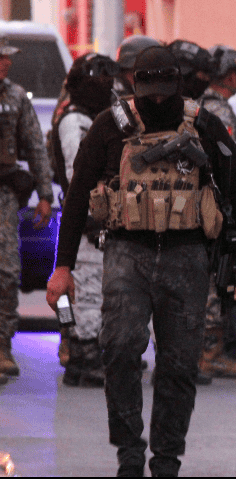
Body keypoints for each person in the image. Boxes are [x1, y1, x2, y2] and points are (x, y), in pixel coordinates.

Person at [46, 46, 236, 476]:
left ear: (178, 85)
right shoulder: (111, 125)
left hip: (187, 255)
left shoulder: (203, 123)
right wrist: (63, 267)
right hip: (127, 252)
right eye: (150, 91)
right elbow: (75, 197)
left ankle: (165, 461)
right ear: (135, 84)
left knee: (180, 365)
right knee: (121, 350)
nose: (159, 101)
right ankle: (129, 453)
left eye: (167, 91)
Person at [168, 40, 236, 380]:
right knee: (210, 283)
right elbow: (230, 164)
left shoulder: (197, 106)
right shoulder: (215, 110)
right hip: (209, 206)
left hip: (201, 205)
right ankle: (206, 353)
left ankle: (197, 354)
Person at [50, 53, 120, 387]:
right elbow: (77, 173)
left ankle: (78, 353)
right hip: (86, 219)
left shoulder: (97, 117)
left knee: (82, 290)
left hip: (91, 216)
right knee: (85, 293)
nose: (104, 86)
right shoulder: (74, 121)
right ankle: (83, 353)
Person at [0, 37, 54, 382]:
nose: (5, 63)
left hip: (3, 193)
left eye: (7, 59)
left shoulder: (16, 97)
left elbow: (36, 147)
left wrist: (45, 194)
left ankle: (2, 345)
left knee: (5, 270)